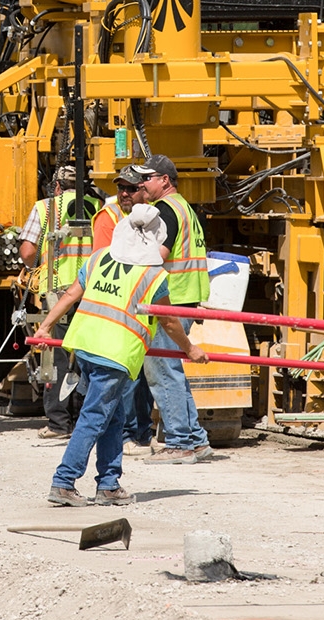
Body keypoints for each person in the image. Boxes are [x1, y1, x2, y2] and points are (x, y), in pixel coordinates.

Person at [38, 203, 208, 506]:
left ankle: (108, 484)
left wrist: (46, 327)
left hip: (86, 345)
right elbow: (169, 321)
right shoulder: (152, 276)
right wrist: (191, 349)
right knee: (93, 418)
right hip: (113, 354)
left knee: (114, 418)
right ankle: (64, 481)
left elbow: (71, 294)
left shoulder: (99, 258)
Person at [137, 153, 215, 464]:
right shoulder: (185, 208)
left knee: (162, 369)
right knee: (174, 369)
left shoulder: (165, 210)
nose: (142, 183)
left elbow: (157, 254)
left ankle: (180, 442)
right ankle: (195, 440)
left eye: (148, 178)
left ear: (164, 180)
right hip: (189, 295)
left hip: (173, 297)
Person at [19, 165, 97, 441]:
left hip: (59, 291)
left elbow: (28, 252)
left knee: (58, 355)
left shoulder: (45, 208)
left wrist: (37, 263)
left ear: (56, 187)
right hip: (95, 291)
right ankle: (87, 419)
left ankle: (59, 423)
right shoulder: (98, 206)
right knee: (90, 353)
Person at [91, 166, 155, 453]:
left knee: (143, 374)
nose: (124, 194)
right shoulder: (110, 218)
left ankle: (142, 430)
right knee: (128, 373)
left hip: (145, 302)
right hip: (120, 305)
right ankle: (127, 434)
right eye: (121, 189)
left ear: (143, 189)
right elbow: (106, 262)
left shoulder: (152, 216)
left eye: (130, 188)